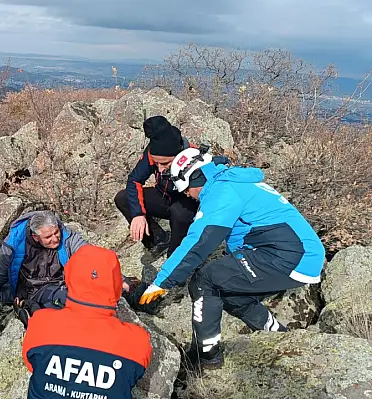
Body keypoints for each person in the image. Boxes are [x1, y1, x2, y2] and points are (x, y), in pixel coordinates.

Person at [138, 147, 326, 372]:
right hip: (297, 254)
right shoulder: (230, 181)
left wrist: (162, 283)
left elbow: (198, 243)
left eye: (186, 189)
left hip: (289, 256)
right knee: (230, 293)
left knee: (204, 281)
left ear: (195, 179)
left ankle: (206, 355)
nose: (187, 195)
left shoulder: (223, 193)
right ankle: (277, 335)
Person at [22, 244, 152, 399]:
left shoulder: (40, 324)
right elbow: (131, 377)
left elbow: (32, 365)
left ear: (68, 278)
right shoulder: (138, 341)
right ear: (117, 285)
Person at [114, 115, 228, 260]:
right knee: (123, 198)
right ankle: (158, 240)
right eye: (156, 164)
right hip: (163, 195)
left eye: (165, 164)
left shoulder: (195, 158)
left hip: (187, 201)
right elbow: (134, 180)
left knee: (179, 213)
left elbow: (211, 195)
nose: (160, 169)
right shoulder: (154, 151)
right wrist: (138, 214)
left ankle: (175, 255)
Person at [0, 211, 88, 323]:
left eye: (56, 232)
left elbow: (88, 254)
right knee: (66, 304)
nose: (55, 238)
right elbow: (2, 274)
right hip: (33, 289)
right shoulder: (13, 244)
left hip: (63, 283)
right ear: (35, 237)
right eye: (48, 237)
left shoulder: (67, 236)